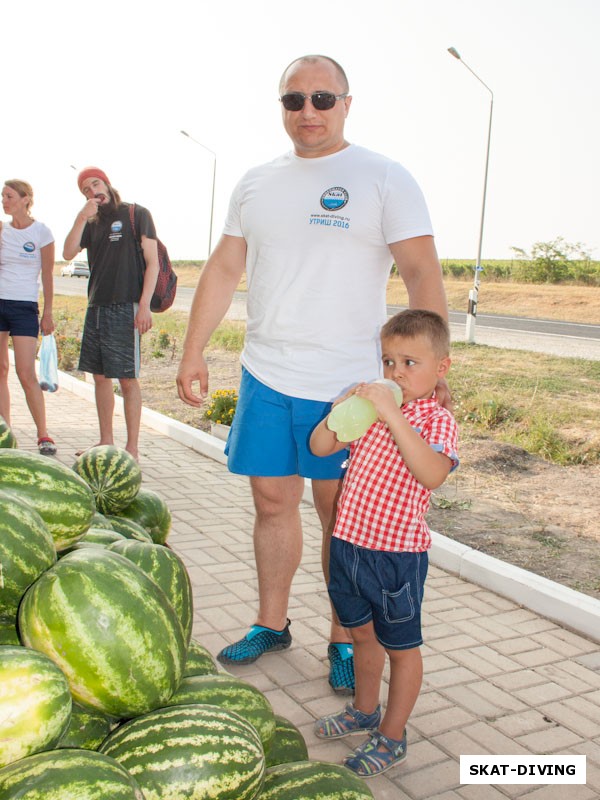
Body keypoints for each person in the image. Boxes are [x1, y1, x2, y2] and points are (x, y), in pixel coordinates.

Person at [176, 54, 449, 694]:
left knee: (339, 518)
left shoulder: (384, 176)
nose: (307, 112)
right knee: (272, 502)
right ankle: (272, 623)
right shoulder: (255, 182)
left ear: (347, 103)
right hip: (267, 373)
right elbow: (222, 271)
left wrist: (430, 370)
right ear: (282, 108)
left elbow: (421, 274)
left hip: (350, 385)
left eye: (322, 99)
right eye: (293, 100)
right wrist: (193, 349)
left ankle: (343, 638)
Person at [311, 309, 459, 777]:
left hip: (396, 557)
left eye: (410, 363)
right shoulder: (369, 413)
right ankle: (363, 710)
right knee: (361, 635)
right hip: (349, 547)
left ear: (441, 368)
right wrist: (344, 409)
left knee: (402, 646)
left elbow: (432, 474)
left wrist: (394, 414)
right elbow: (319, 447)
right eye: (388, 361)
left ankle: (392, 737)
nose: (396, 372)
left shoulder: (436, 422)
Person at [63, 168, 159, 461]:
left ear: (106, 183)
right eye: (85, 190)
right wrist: (82, 216)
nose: (92, 191)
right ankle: (106, 441)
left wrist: (144, 305)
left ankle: (132, 449)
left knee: (127, 379)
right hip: (96, 307)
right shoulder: (90, 223)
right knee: (100, 377)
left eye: (95, 183)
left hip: (126, 306)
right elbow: (67, 253)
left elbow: (152, 262)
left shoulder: (136, 213)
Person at [0, 179, 57, 455]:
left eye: (9, 196)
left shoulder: (42, 232)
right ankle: (5, 432)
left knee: (25, 373)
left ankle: (43, 434)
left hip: (24, 307)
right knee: (0, 369)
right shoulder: (1, 230)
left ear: (25, 199)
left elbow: (47, 275)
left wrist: (48, 312)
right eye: (2, 196)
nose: (4, 200)